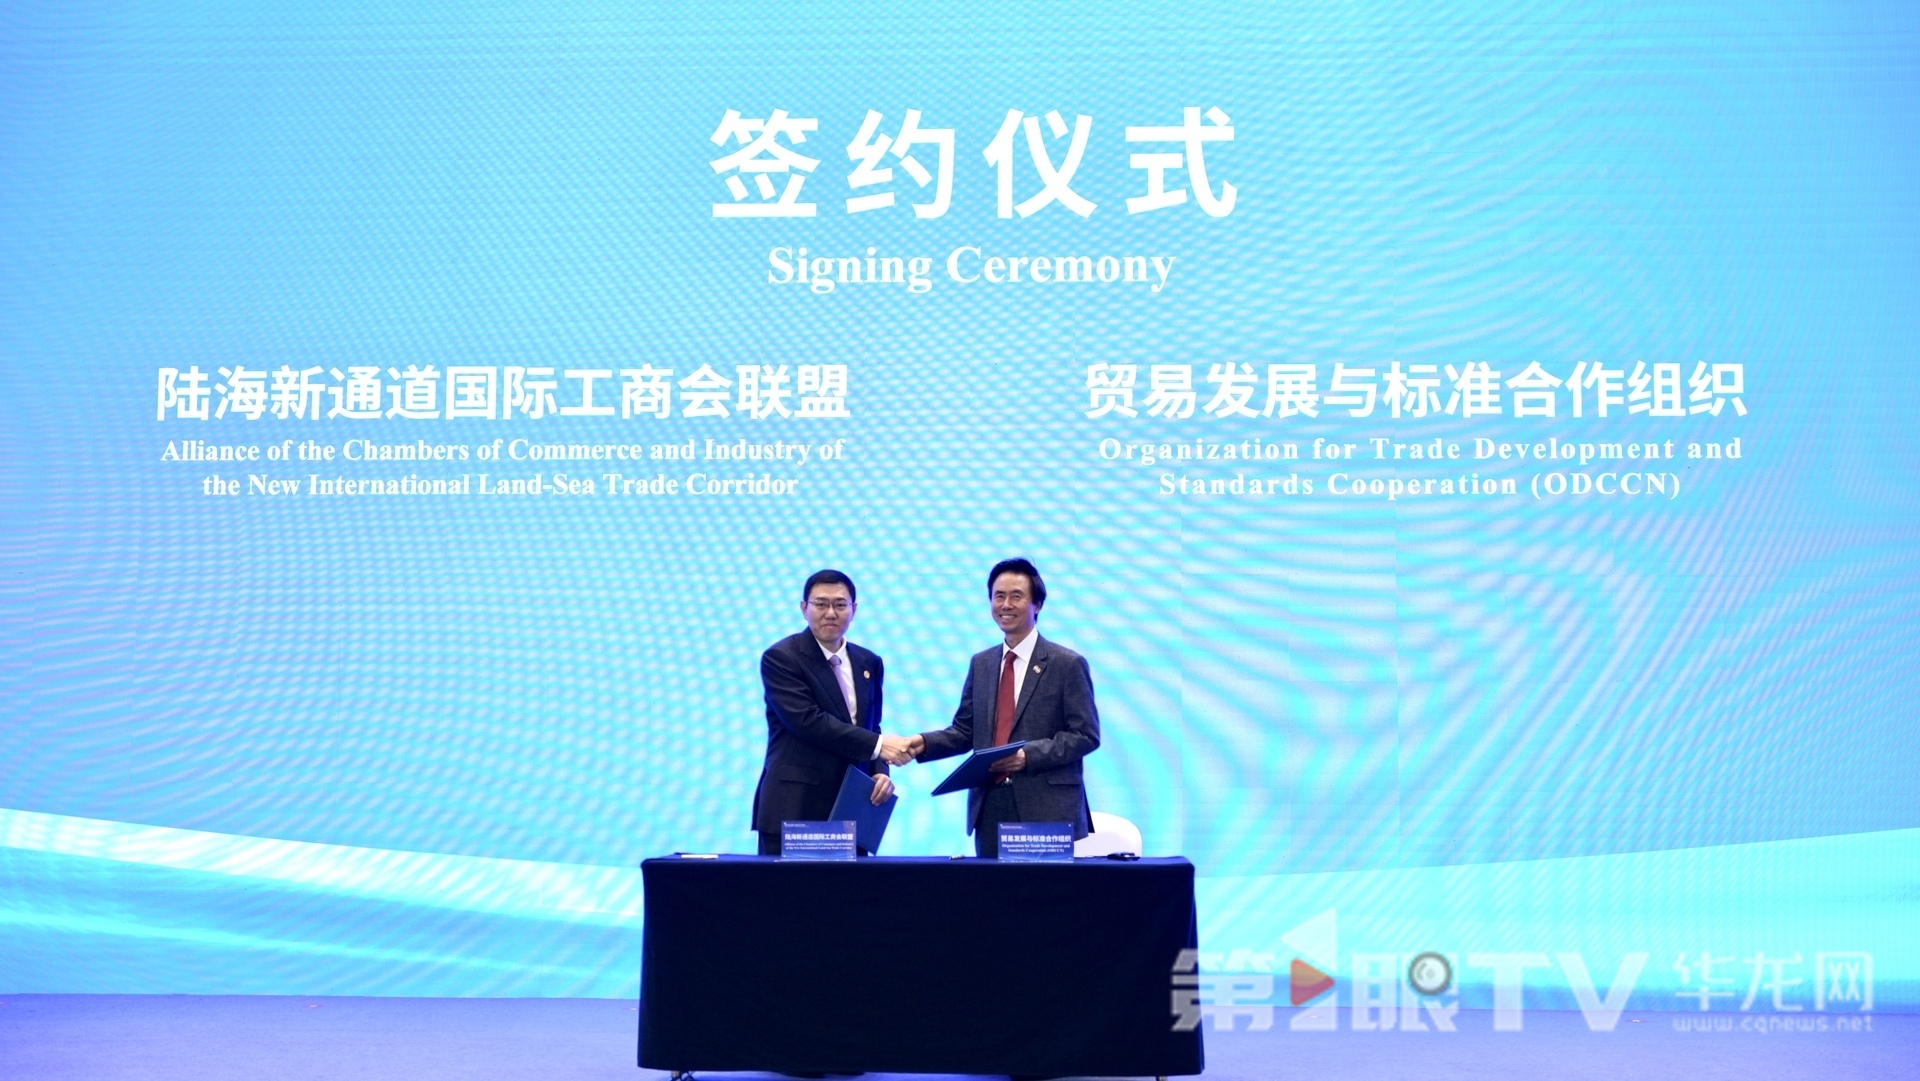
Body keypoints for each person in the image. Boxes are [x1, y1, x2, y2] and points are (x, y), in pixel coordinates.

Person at [906, 558, 1100, 857]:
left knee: (1043, 889)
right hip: (990, 805)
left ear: (1037, 605)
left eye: (1016, 596)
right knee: (991, 887)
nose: (1006, 605)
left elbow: (1085, 735)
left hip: (1046, 808)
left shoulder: (1067, 664)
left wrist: (1027, 756)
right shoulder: (982, 663)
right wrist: (923, 743)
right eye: (999, 596)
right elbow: (965, 731)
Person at [752, 569, 918, 856]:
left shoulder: (869, 662)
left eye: (840, 604)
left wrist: (879, 772)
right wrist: (880, 746)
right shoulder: (781, 658)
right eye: (821, 604)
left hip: (853, 807)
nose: (831, 613)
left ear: (854, 610)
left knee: (850, 887)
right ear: (804, 608)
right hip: (796, 807)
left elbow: (871, 727)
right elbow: (807, 721)